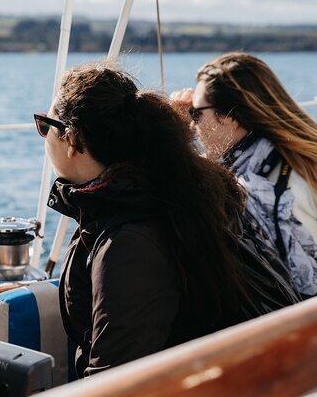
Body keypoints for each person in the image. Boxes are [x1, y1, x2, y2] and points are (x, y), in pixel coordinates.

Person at [36, 62, 296, 379]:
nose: (44, 136)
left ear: (73, 140)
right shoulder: (173, 191)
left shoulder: (130, 241)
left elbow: (117, 388)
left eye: (45, 126)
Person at [172, 52, 317, 295]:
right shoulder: (224, 174)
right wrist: (176, 130)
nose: (193, 124)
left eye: (195, 113)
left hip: (315, 322)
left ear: (231, 116)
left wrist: (302, 319)